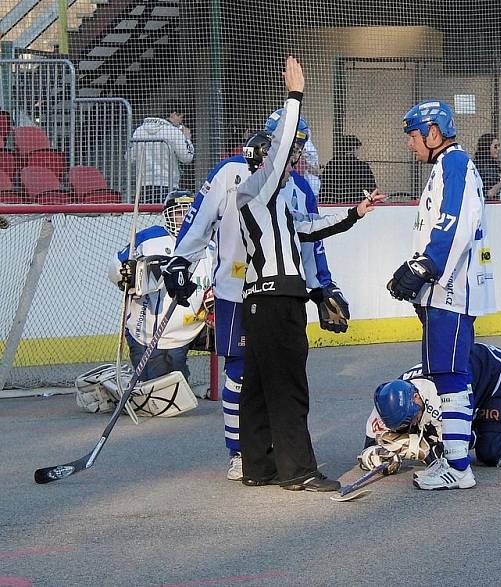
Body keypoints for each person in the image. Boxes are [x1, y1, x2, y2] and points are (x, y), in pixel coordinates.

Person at [163, 57, 384, 492]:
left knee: (260, 384)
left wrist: (349, 227)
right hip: (258, 295)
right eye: (289, 150)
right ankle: (288, 467)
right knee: (276, 382)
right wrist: (296, 94)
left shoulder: (286, 192)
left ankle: (258, 464)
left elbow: (309, 232)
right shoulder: (250, 184)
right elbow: (201, 218)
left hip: (267, 295)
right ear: (270, 153)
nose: (295, 158)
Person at [389, 99, 495, 490]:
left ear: (434, 132)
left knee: (451, 377)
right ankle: (454, 459)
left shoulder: (455, 164)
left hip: (450, 290)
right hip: (441, 292)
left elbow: (454, 224)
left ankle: (458, 467)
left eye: (413, 135)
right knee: (446, 374)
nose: (410, 143)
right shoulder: (444, 166)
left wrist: (424, 267)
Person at [358, 343, 501, 473]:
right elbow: (368, 447)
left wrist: (416, 450)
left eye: (412, 419)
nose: (410, 425)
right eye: (402, 425)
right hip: (467, 378)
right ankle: (500, 431)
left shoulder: (439, 399)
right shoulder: (386, 403)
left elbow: (456, 448)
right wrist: (378, 458)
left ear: (417, 397)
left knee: (492, 451)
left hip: (494, 373)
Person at [109, 191, 213, 381]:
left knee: (172, 393)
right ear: (168, 214)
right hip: (148, 333)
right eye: (178, 212)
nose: (183, 218)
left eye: (188, 212)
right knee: (157, 390)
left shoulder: (209, 245)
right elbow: (118, 265)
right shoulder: (149, 239)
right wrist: (127, 276)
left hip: (187, 332)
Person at [130, 104, 195, 203]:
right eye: (181, 117)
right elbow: (187, 157)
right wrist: (187, 139)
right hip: (167, 183)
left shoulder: (139, 130)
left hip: (143, 183)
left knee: (147, 214)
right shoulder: (173, 132)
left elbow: (130, 157)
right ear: (173, 114)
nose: (181, 121)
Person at [318, 134, 377, 204]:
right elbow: (370, 189)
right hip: (357, 205)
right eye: (357, 148)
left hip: (334, 205)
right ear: (354, 148)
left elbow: (325, 188)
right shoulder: (362, 166)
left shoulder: (331, 164)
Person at [473, 133, 501, 200]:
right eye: (495, 146)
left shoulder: (492, 164)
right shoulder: (482, 166)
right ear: (486, 147)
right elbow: (489, 193)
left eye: (499, 146)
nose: (498, 149)